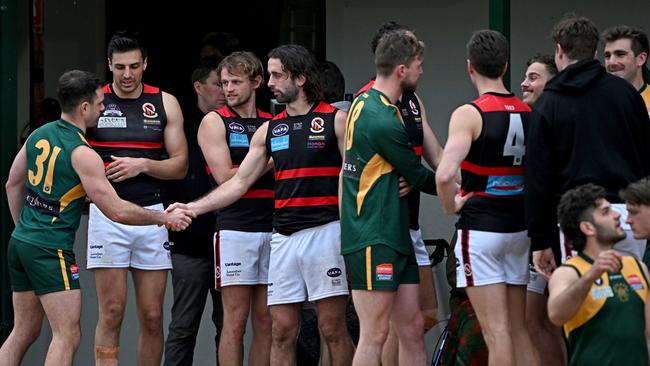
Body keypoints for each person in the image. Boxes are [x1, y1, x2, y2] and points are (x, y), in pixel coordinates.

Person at [168, 44, 354, 365]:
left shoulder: (337, 120)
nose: (269, 82)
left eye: (277, 75)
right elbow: (237, 182)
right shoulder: (271, 129)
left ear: (300, 78)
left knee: (333, 327)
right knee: (280, 329)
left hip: (326, 232)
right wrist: (193, 208)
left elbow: (359, 174)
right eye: (268, 75)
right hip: (281, 236)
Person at [0, 70, 192, 366]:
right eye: (100, 103)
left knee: (22, 331)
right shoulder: (83, 152)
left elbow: (12, 183)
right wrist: (162, 219)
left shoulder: (39, 133)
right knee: (67, 335)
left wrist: (23, 229)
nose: (104, 108)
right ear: (85, 107)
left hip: (21, 242)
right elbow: (115, 210)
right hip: (51, 249)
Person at [84, 31, 188, 365]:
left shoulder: (164, 101)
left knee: (153, 315)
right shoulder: (94, 100)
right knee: (112, 312)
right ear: (108, 66)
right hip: (107, 214)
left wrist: (143, 164)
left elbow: (180, 167)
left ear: (145, 64)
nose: (127, 75)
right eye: (119, 68)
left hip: (152, 214)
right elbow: (72, 151)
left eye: (133, 66)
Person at [436, 30, 539, 366]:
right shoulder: (527, 110)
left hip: (481, 230)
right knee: (518, 329)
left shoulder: (469, 113)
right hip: (519, 228)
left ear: (469, 67)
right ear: (505, 66)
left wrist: (450, 205)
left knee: (496, 332)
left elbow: (444, 173)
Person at [526, 15, 650, 281]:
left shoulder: (549, 103)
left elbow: (538, 177)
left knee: (585, 309)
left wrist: (540, 239)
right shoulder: (628, 95)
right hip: (628, 217)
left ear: (559, 50)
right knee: (631, 303)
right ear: (594, 52)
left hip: (580, 220)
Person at [340, 29, 436, 366]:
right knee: (375, 333)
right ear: (401, 70)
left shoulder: (369, 102)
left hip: (396, 231)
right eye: (418, 65)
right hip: (372, 234)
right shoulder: (380, 117)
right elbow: (420, 174)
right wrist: (468, 188)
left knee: (412, 326)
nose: (421, 71)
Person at [197, 51, 274, 366]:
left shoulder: (273, 122)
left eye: (235, 82)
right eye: (224, 82)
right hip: (235, 229)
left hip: (273, 226)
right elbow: (226, 177)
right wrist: (270, 161)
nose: (227, 89)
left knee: (267, 322)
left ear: (256, 82)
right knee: (234, 321)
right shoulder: (214, 121)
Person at [163, 56, 225, 366]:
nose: (224, 91)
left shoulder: (234, 122)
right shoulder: (181, 126)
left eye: (228, 84)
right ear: (198, 87)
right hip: (189, 242)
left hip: (228, 240)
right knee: (183, 326)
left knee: (228, 327)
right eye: (218, 84)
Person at [548, 183, 650, 366]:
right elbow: (556, 314)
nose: (618, 214)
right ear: (588, 227)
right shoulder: (569, 272)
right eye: (606, 212)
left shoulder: (638, 267)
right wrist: (590, 276)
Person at [520, 54, 566, 366]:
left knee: (541, 320)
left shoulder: (556, 117)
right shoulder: (528, 117)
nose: (525, 83)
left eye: (534, 77)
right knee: (542, 320)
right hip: (539, 234)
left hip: (554, 235)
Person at [601, 25, 650, 112]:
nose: (611, 62)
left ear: (641, 59)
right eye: (607, 56)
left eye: (620, 54)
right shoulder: (594, 100)